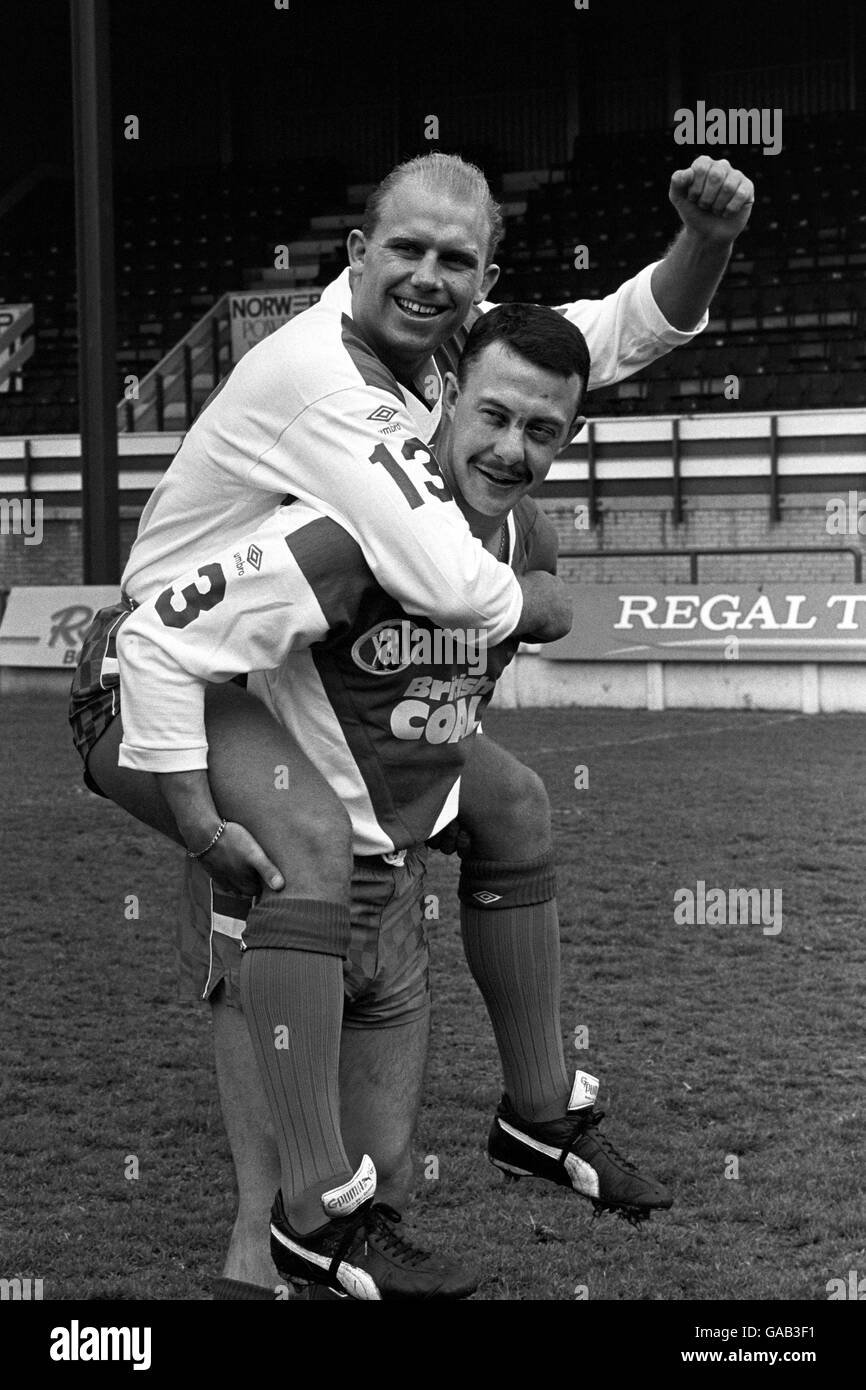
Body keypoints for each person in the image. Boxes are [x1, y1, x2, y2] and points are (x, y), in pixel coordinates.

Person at [70, 151, 754, 1294]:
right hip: (175, 675)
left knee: (510, 805)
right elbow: (449, 574)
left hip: (290, 662)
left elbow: (613, 333)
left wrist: (707, 241)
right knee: (302, 857)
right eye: (407, 250)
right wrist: (533, 598)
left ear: (485, 275)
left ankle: (530, 1116)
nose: (430, 275)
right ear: (354, 253)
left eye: (456, 259)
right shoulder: (322, 389)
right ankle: (299, 1218)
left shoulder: (451, 342)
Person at [115, 304, 665, 1299]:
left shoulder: (519, 531)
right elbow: (168, 636)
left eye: (540, 432)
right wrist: (201, 818)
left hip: (394, 890)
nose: (509, 449)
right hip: (288, 895)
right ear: (441, 396)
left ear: (568, 439)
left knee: (384, 1196)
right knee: (283, 1219)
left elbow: (451, 702)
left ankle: (534, 1113)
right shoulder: (338, 527)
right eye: (490, 416)